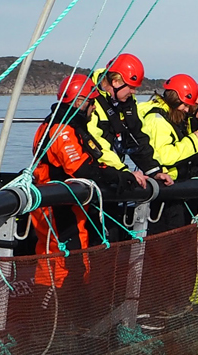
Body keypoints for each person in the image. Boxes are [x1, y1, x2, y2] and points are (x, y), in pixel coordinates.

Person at [29, 74, 147, 286]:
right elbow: (81, 168)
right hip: (56, 206)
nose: (93, 108)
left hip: (71, 204)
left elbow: (92, 160)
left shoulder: (72, 127)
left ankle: (67, 306)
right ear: (79, 102)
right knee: (64, 262)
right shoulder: (61, 130)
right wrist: (118, 177)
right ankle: (52, 309)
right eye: (91, 102)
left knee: (74, 259)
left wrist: (120, 175)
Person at [137, 74, 198, 233]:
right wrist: (194, 140)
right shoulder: (159, 119)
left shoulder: (172, 117)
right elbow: (164, 155)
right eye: (185, 106)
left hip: (175, 187)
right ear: (175, 101)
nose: (187, 111)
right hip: (163, 190)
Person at [85, 54, 166, 187]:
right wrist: (123, 171)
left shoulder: (127, 101)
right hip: (93, 175)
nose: (134, 92)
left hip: (115, 175)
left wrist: (155, 171)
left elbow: (138, 136)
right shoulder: (89, 99)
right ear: (116, 82)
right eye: (131, 87)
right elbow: (95, 145)